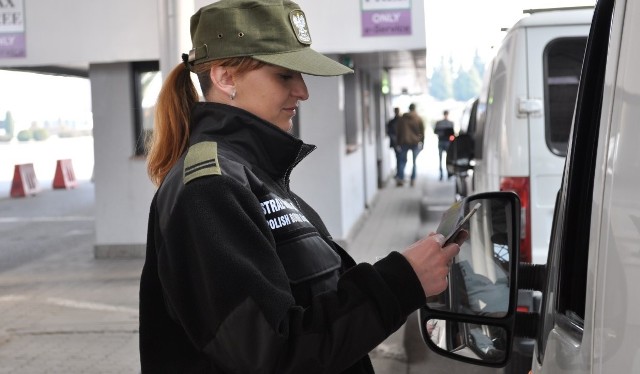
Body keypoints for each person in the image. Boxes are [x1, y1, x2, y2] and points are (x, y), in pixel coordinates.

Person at [139, 1, 461, 373]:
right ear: (226, 77)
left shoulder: (253, 176)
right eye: (285, 75)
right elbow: (271, 354)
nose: (303, 91)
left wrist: (405, 276)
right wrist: (399, 283)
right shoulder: (209, 188)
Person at [395, 103, 425, 187]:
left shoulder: (402, 118)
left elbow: (398, 131)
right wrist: (422, 142)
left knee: (402, 161)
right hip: (415, 142)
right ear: (415, 109)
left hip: (404, 142)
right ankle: (413, 179)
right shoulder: (418, 118)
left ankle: (400, 178)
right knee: (414, 162)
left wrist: (398, 143)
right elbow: (422, 132)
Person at [433, 110, 455, 180]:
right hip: (444, 142)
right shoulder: (449, 123)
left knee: (445, 159)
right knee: (444, 159)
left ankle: (446, 173)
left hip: (444, 141)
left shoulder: (441, 123)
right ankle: (444, 174)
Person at [386, 107, 401, 179]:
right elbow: (389, 132)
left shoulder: (400, 120)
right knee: (399, 158)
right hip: (397, 143)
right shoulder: (392, 121)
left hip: (400, 142)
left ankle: (400, 174)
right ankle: (399, 174)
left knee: (400, 158)